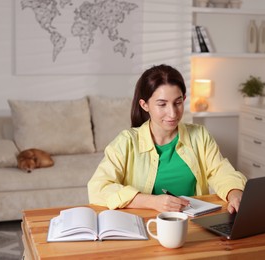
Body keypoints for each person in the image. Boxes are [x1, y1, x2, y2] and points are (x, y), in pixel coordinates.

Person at [88, 64, 247, 214]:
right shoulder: (126, 142)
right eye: (162, 104)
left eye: (177, 103)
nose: (172, 113)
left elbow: (221, 171)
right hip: (145, 223)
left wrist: (234, 193)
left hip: (192, 224)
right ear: (145, 105)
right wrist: (151, 202)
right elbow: (98, 188)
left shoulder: (200, 135)